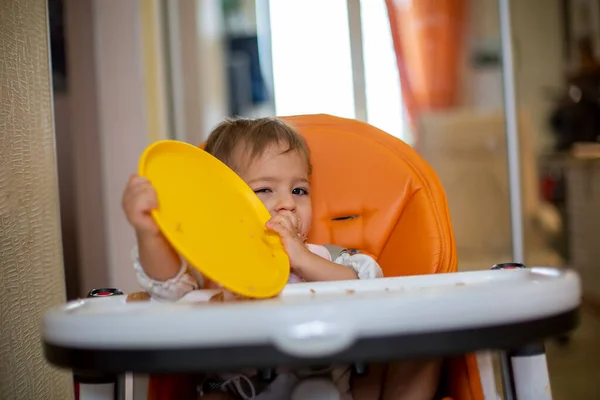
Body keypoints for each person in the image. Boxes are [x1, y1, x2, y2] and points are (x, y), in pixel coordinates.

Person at [122, 117, 440, 399]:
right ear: (221, 204)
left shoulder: (323, 258)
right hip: (245, 390)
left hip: (334, 385)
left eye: (299, 190)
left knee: (425, 342)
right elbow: (169, 289)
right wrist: (149, 232)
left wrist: (302, 259)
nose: (287, 203)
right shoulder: (212, 265)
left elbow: (369, 289)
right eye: (264, 190)